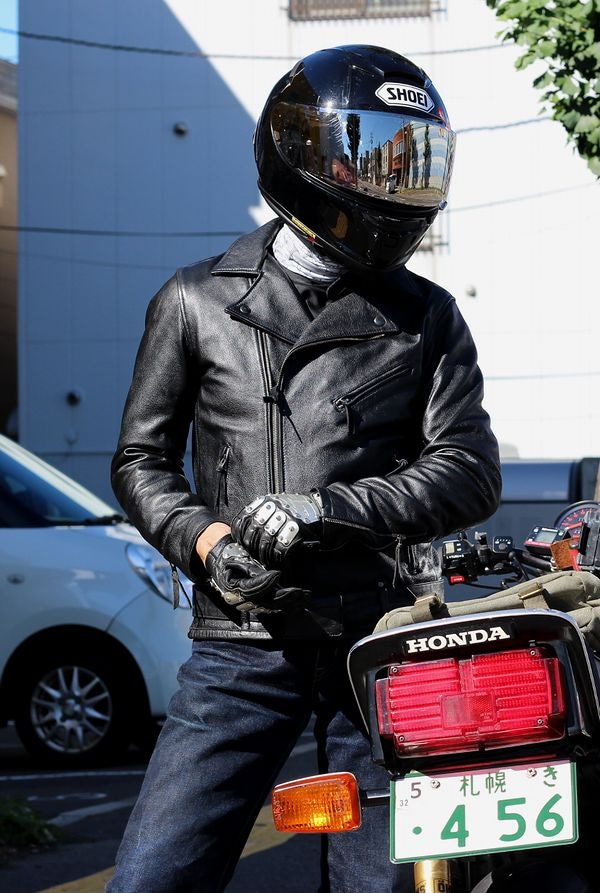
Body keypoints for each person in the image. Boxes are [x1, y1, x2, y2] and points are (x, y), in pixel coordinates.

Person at [107, 44, 501, 893]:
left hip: (382, 638)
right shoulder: (195, 300)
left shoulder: (428, 315)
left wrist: (329, 508)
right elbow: (141, 460)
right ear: (302, 155)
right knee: (151, 876)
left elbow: (470, 469)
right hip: (243, 642)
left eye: (412, 161)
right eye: (374, 158)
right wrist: (209, 543)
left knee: (387, 887)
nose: (395, 183)